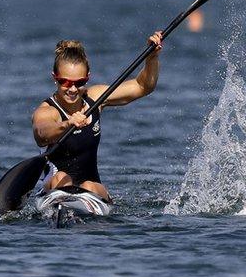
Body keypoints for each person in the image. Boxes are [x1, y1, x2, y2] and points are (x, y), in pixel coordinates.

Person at [32, 31, 163, 202]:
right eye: (65, 82)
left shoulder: (96, 98)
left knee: (89, 186)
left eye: (79, 83)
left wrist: (151, 58)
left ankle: (87, 203)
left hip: (92, 192)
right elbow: (42, 133)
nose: (72, 89)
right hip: (55, 188)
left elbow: (142, 86)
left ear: (87, 78)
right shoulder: (48, 111)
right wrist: (68, 124)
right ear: (54, 78)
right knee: (61, 177)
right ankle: (64, 204)